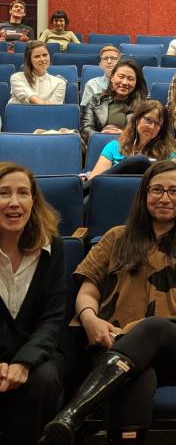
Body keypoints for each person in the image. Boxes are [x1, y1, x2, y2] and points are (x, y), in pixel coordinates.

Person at [42, 161, 176, 445]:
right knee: (135, 374)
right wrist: (90, 318)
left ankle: (72, 413)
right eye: (157, 190)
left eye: (174, 191)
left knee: (153, 328)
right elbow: (88, 288)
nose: (165, 198)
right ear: (143, 195)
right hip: (113, 341)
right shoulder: (116, 237)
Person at [0, 162, 65, 445]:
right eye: (3, 193)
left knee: (43, 381)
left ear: (33, 200)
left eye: (23, 193)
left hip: (39, 352)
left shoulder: (52, 245)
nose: (14, 202)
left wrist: (24, 362)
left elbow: (52, 318)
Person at [88, 100, 176, 179]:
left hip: (147, 199)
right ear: (137, 119)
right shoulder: (115, 146)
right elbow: (94, 180)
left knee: (140, 161)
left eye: (158, 124)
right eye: (148, 120)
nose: (152, 127)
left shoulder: (165, 152)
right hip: (116, 194)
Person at [80, 59, 148, 142]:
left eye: (130, 79)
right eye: (121, 77)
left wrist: (124, 136)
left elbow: (148, 134)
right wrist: (101, 136)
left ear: (136, 83)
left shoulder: (145, 106)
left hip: (131, 151)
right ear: (112, 77)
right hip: (99, 147)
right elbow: (85, 130)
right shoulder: (96, 100)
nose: (124, 82)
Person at [7, 40, 66, 105]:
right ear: (29, 60)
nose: (42, 59)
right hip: (20, 114)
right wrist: (43, 103)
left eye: (45, 55)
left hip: (46, 115)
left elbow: (53, 108)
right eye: (37, 56)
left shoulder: (59, 83)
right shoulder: (16, 77)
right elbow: (29, 96)